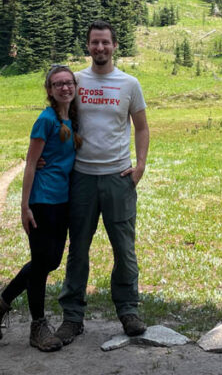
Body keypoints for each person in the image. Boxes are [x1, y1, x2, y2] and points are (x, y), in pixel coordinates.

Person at [56, 20, 150, 344]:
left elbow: (141, 127)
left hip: (118, 178)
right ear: (88, 45)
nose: (100, 48)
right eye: (94, 42)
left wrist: (139, 167)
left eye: (105, 43)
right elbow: (58, 122)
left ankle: (128, 311)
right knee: (78, 248)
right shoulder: (76, 82)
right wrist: (47, 158)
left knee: (124, 249)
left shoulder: (129, 84)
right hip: (81, 177)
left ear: (114, 45)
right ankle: (72, 317)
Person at [0, 65, 79, 352]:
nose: (64, 88)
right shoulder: (45, 120)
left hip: (62, 200)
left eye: (69, 83)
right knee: (40, 264)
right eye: (58, 84)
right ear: (49, 90)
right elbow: (29, 162)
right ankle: (38, 327)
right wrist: (24, 206)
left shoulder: (72, 119)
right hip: (42, 200)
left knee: (50, 262)